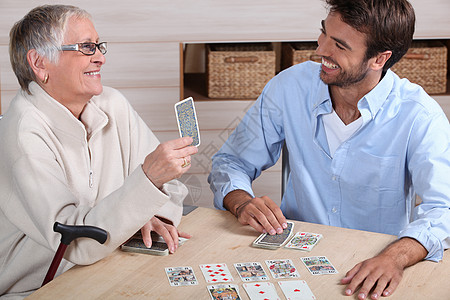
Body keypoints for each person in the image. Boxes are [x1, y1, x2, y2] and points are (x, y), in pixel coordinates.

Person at [208, 0, 450, 299]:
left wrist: (394, 258)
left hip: (373, 266)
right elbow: (231, 162)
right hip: (292, 259)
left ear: (379, 59)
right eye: (323, 33)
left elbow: (444, 209)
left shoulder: (420, 116)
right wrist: (242, 202)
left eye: (340, 45)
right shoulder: (289, 87)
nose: (321, 49)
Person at [0, 5, 198, 298]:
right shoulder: (22, 133)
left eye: (98, 46)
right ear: (40, 63)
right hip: (39, 288)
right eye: (86, 47)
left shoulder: (112, 103)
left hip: (111, 265)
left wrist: (151, 216)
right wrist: (147, 180)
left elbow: (170, 188)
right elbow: (77, 243)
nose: (101, 58)